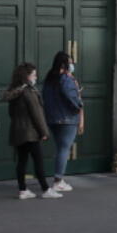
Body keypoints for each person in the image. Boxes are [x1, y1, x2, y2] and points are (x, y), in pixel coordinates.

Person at [3, 62, 62, 199]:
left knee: (22, 161)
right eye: (34, 74)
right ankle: (46, 189)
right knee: (38, 160)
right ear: (27, 76)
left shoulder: (16, 90)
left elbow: (11, 112)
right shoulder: (29, 92)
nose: (36, 77)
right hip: (31, 132)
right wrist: (44, 132)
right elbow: (37, 114)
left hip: (18, 131)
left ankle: (23, 189)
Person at [42, 51, 84, 192]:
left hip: (52, 118)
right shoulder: (66, 79)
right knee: (64, 149)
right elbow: (72, 97)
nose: (72, 65)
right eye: (70, 62)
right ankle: (58, 180)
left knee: (60, 148)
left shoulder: (49, 79)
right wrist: (78, 103)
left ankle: (59, 178)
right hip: (67, 118)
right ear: (64, 64)